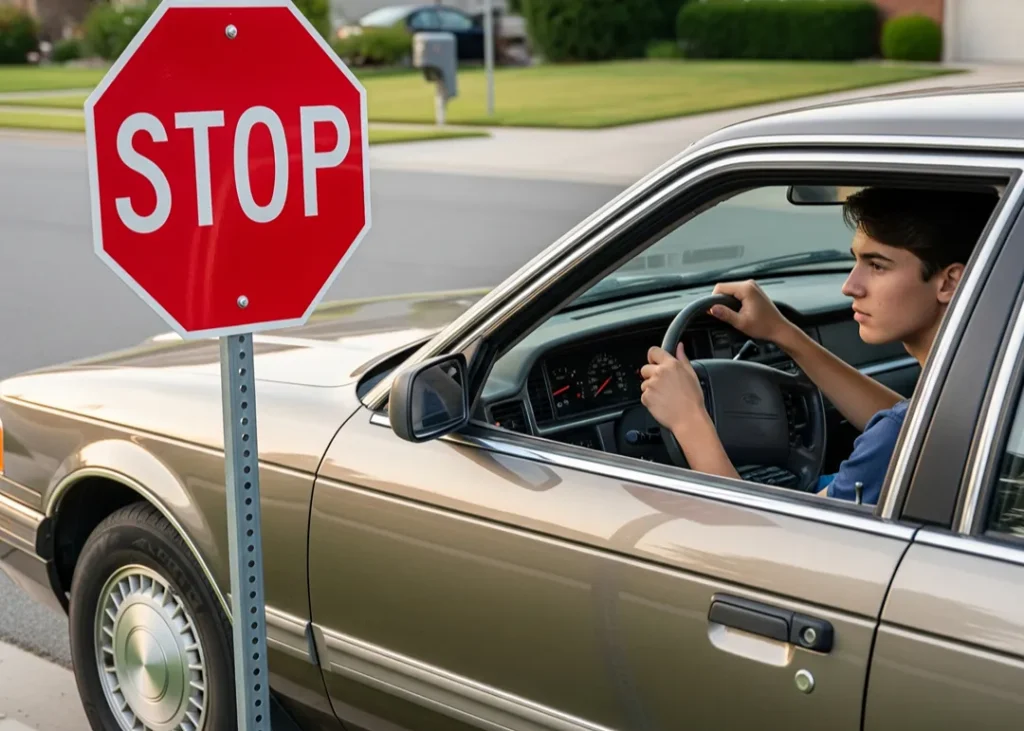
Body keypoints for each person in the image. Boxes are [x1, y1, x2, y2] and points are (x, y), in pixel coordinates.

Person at [639, 186, 999, 505]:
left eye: (877, 266)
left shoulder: (894, 439)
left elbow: (765, 539)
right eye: (855, 260)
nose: (850, 286)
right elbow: (913, 427)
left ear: (949, 282)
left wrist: (688, 419)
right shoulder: (983, 384)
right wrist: (783, 333)